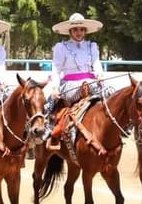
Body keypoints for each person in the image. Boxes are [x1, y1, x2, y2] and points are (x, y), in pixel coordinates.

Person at [44, 13, 108, 146]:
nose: (79, 32)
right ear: (70, 31)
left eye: (82, 29)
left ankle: (120, 127)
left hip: (91, 83)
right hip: (71, 86)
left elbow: (96, 63)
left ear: (85, 31)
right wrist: (55, 88)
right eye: (75, 30)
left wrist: (100, 75)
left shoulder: (92, 46)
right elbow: (56, 69)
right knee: (54, 101)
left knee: (111, 91)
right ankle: (49, 129)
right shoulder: (61, 47)